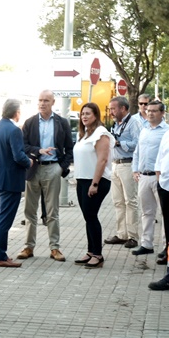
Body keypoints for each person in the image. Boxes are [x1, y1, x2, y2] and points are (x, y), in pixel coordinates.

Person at [17, 90, 74, 262]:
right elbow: (23, 146)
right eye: (40, 100)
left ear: (53, 102)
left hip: (52, 169)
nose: (42, 103)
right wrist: (38, 151)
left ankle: (55, 248)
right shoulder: (30, 122)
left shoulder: (62, 123)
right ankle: (28, 247)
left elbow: (69, 149)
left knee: (52, 211)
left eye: (46, 101)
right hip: (33, 168)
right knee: (29, 210)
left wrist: (61, 168)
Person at [0, 99, 33, 268]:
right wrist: (29, 161)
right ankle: (0, 256)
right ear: (16, 112)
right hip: (11, 181)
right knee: (4, 220)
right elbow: (18, 156)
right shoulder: (14, 130)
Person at [73, 102, 114, 268]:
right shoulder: (84, 135)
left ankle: (98, 254)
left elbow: (102, 160)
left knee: (91, 216)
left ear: (96, 115)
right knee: (88, 217)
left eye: (88, 113)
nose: (84, 116)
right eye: (82, 114)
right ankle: (90, 251)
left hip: (96, 181)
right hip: (83, 180)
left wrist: (94, 183)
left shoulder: (101, 133)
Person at [131, 100, 169, 256]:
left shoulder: (168, 132)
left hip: (161, 178)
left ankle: (166, 247)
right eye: (148, 110)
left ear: (162, 113)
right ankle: (146, 244)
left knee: (165, 214)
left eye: (154, 111)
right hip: (144, 176)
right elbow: (137, 152)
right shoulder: (144, 130)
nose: (150, 113)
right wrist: (135, 170)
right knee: (147, 212)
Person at [104, 96, 142, 249]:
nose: (111, 112)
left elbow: (139, 143)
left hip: (128, 164)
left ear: (123, 109)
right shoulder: (116, 124)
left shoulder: (134, 123)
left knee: (130, 201)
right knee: (118, 202)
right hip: (116, 165)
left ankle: (133, 236)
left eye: (113, 109)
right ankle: (121, 234)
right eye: (110, 109)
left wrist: (119, 142)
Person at [155, 126, 169, 268]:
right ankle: (168, 254)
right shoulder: (168, 134)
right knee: (167, 223)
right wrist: (159, 179)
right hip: (165, 185)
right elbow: (160, 157)